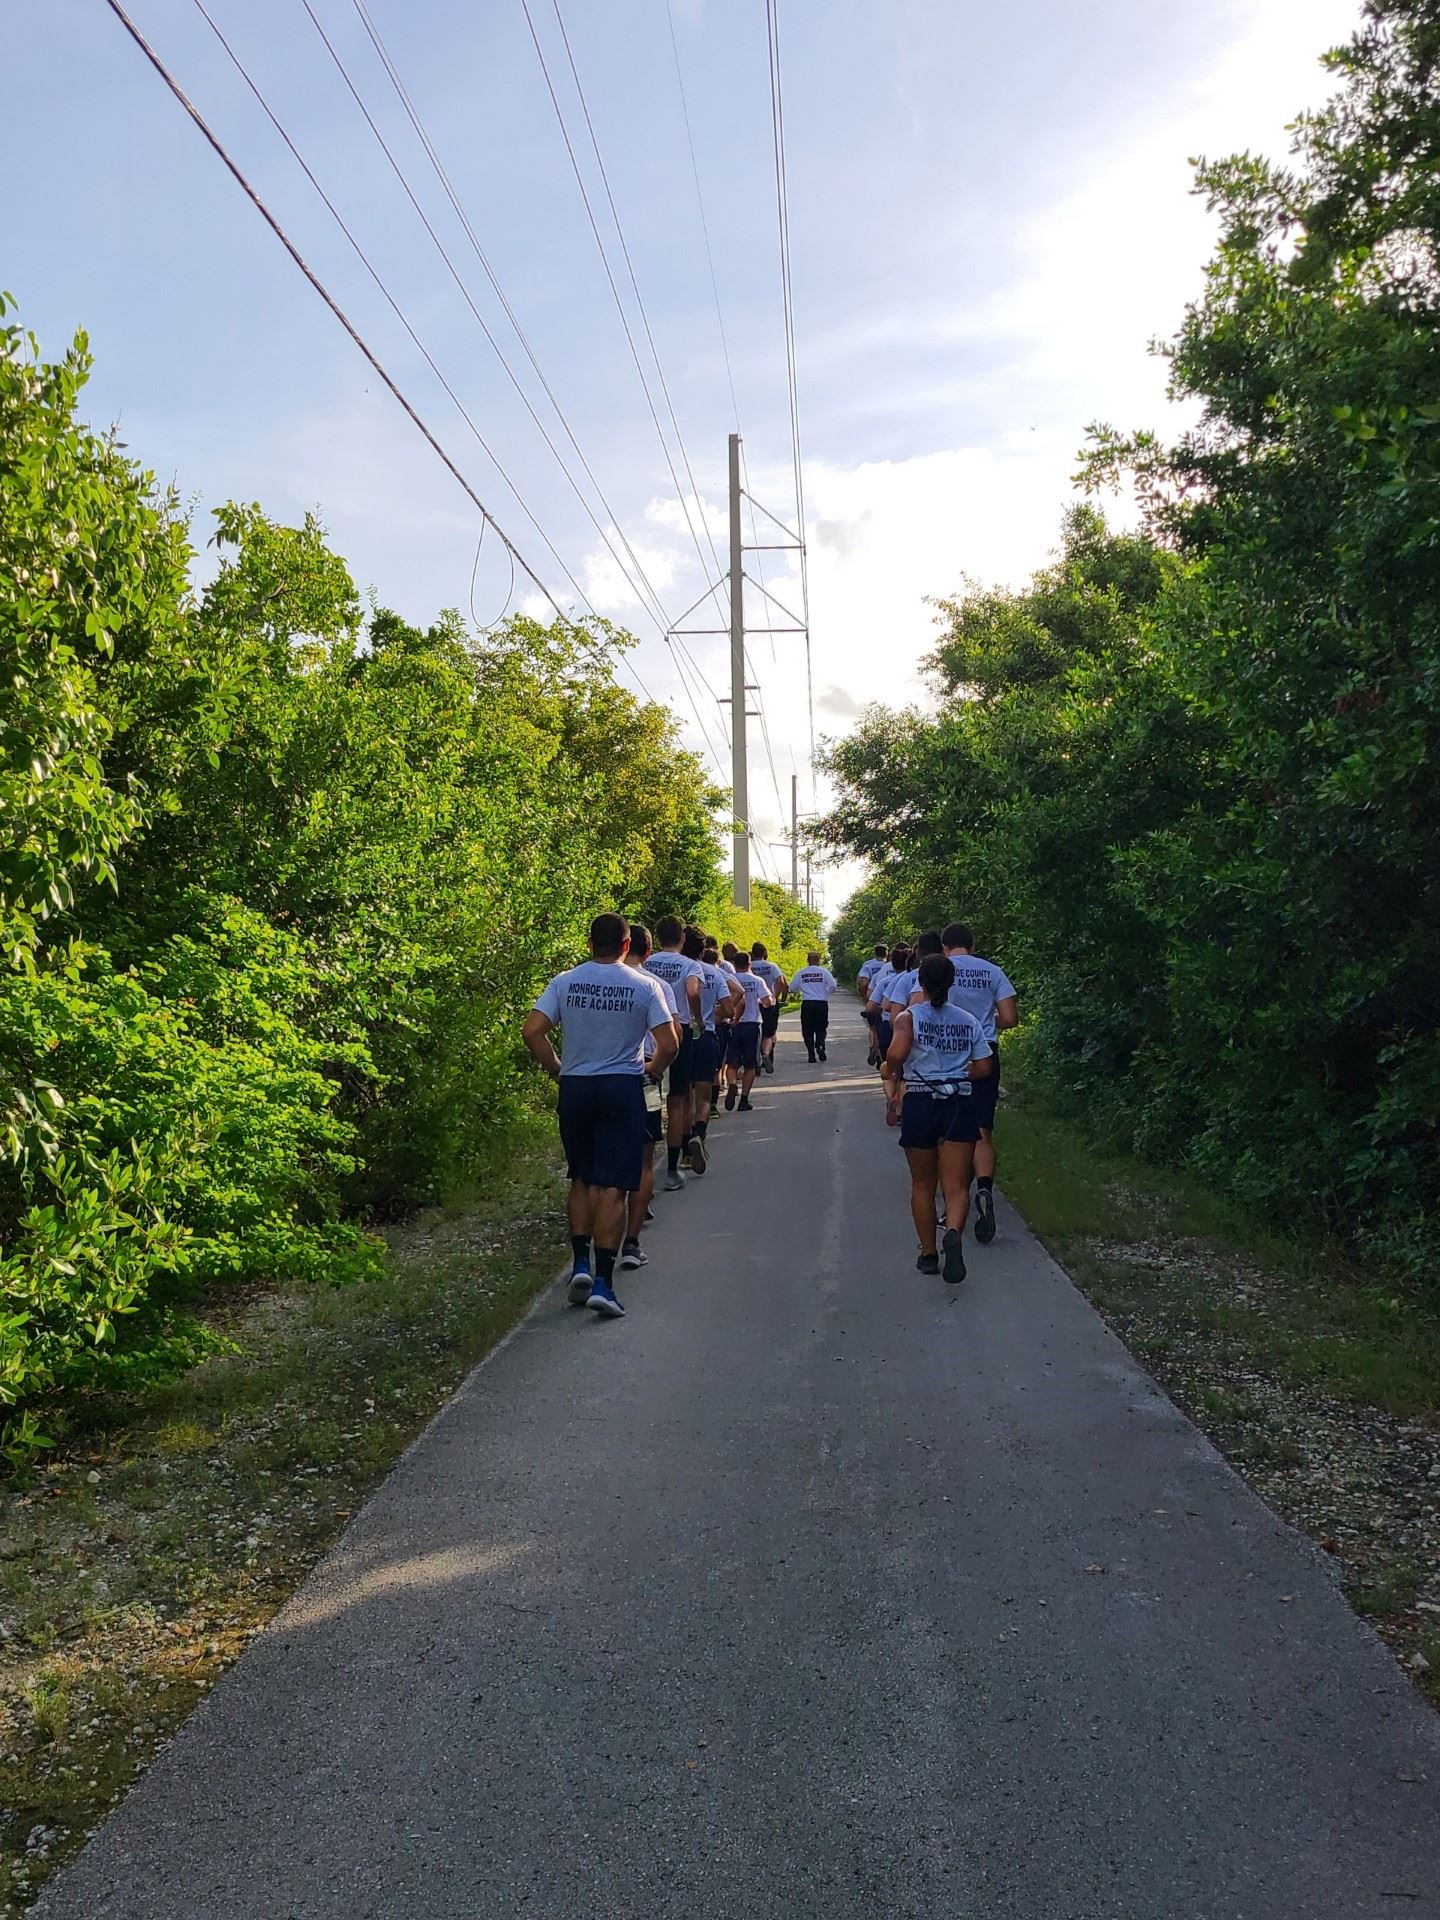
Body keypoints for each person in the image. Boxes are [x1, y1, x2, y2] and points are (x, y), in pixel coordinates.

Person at [523, 913, 676, 1318]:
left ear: (589, 943)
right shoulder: (644, 986)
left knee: (581, 1175)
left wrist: (556, 1067)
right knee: (613, 1185)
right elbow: (670, 1041)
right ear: (627, 946)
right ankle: (605, 1285)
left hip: (576, 1087)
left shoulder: (564, 980)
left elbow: (532, 1030)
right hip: (620, 1088)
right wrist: (654, 1067)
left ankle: (580, 1265)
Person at [885, 953, 992, 1286]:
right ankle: (954, 1233)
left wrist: (892, 1065)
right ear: (951, 982)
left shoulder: (908, 1017)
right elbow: (985, 1067)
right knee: (956, 1185)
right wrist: (959, 1073)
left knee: (922, 1184)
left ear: (920, 982)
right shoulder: (967, 1020)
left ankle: (929, 1254)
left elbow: (896, 1056)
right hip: (958, 1102)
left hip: (919, 1100)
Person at [933, 923, 1019, 1245]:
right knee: (982, 1130)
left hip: (947, 1054)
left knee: (950, 1135)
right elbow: (1009, 1018)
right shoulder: (992, 971)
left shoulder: (939, 970)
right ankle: (984, 1188)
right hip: (985, 1053)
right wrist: (986, 1018)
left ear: (945, 946)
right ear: (972, 944)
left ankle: (951, 1208)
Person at [619, 924, 680, 1270]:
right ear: (648, 949)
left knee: (602, 1166)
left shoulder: (576, 979)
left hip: (595, 1082)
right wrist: (656, 1068)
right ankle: (631, 1239)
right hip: (644, 1078)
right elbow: (672, 1039)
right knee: (644, 1158)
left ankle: (588, 1255)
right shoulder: (653, 986)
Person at [643, 915, 706, 1192]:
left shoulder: (647, 961)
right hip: (679, 1029)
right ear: (682, 938)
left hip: (648, 1030)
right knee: (678, 1097)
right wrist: (697, 1018)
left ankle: (642, 1162)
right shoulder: (690, 964)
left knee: (648, 1095)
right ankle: (672, 1167)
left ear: (657, 939)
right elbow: (693, 991)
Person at [683, 927, 740, 1167]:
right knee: (704, 1097)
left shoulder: (671, 969)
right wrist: (713, 1015)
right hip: (705, 1035)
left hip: (679, 1036)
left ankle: (684, 1151)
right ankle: (699, 1135)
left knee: (682, 1096)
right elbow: (729, 1008)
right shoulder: (715, 974)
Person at [723, 951, 773, 1111]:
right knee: (750, 1065)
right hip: (752, 1024)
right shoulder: (757, 980)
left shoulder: (729, 979)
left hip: (733, 1024)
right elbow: (768, 1002)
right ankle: (744, 1099)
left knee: (732, 1062)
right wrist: (763, 1002)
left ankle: (731, 1084)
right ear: (749, 963)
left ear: (735, 964)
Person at [749, 941, 789, 1075]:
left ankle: (756, 1062)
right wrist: (774, 996)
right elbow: (781, 982)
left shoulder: (749, 966)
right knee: (769, 1033)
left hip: (752, 1003)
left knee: (755, 1031)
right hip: (769, 1002)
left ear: (752, 953)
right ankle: (766, 1053)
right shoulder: (771, 966)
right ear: (765, 953)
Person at [791, 951, 837, 1060]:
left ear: (808, 960)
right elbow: (833, 985)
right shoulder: (824, 972)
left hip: (808, 1003)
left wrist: (800, 991)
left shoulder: (801, 972)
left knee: (807, 1029)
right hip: (821, 1003)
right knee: (821, 1027)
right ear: (818, 960)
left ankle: (811, 1053)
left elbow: (792, 987)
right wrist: (825, 993)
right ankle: (820, 1043)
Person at [858, 943, 888, 1063]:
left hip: (873, 999)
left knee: (873, 1027)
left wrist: (863, 995)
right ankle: (883, 1052)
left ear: (875, 953)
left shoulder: (868, 965)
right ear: (886, 952)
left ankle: (873, 1048)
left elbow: (862, 982)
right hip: (889, 1000)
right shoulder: (890, 965)